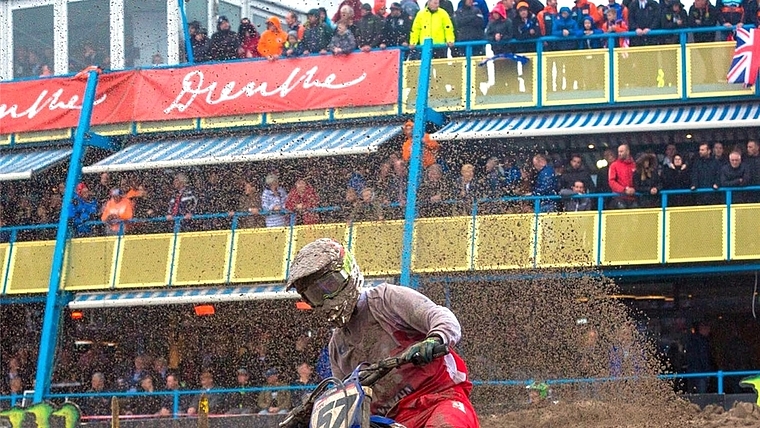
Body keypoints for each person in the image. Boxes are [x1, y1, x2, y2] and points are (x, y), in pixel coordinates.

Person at [285, 239, 479, 428]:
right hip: (389, 420)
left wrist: (435, 338)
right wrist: (309, 411)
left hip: (438, 398)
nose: (327, 297)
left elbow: (441, 316)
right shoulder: (337, 345)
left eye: (330, 285)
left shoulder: (386, 300)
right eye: (316, 294)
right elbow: (343, 394)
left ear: (347, 272)